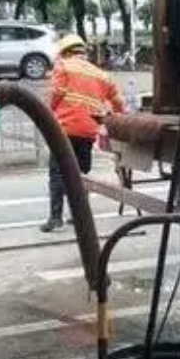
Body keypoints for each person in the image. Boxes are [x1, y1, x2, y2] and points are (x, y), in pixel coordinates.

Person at [41, 34, 126, 232]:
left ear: (66, 52)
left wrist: (48, 115)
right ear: (82, 52)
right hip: (88, 130)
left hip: (64, 129)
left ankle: (55, 218)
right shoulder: (101, 74)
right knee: (80, 174)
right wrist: (124, 120)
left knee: (58, 172)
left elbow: (56, 94)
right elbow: (118, 101)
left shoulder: (63, 66)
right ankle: (79, 216)